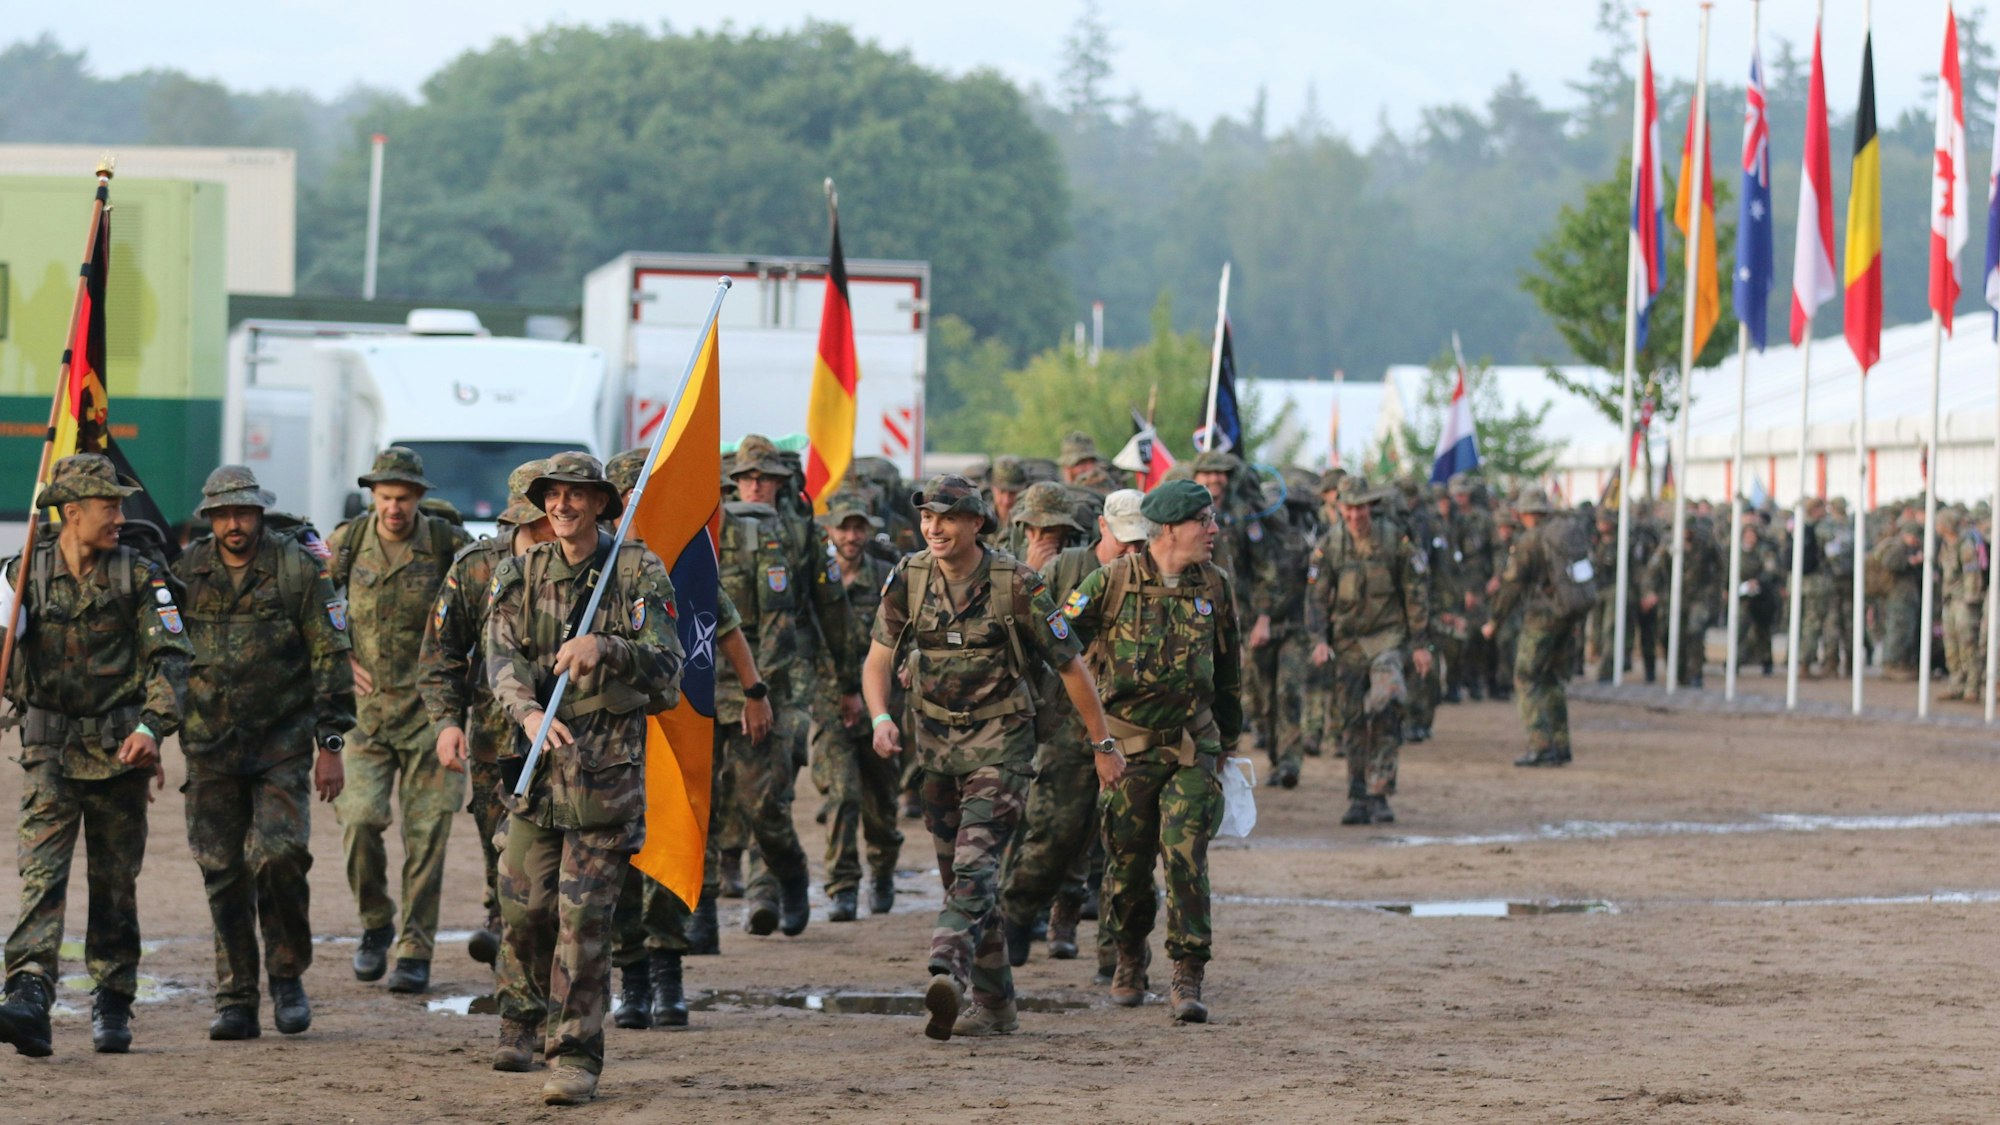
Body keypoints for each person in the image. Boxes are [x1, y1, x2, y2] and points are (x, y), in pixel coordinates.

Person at [862, 474, 1112, 1041]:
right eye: (927, 517)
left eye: (947, 517)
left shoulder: (1016, 583)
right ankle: (996, 1005)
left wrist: (1101, 745)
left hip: (1003, 743)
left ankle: (946, 965)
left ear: (977, 522)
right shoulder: (909, 576)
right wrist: (881, 716)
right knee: (962, 878)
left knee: (975, 867)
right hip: (935, 746)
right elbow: (879, 656)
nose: (934, 528)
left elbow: (1071, 665)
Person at [485, 452, 685, 1106]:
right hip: (538, 773)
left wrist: (609, 648)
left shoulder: (636, 571)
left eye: (577, 495)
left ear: (601, 503)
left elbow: (669, 673)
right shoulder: (520, 572)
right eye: (553, 495)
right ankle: (527, 1009)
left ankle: (573, 1055)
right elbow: (500, 657)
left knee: (582, 922)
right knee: (526, 908)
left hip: (604, 779)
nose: (563, 505)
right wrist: (529, 708)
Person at [0, 454, 191, 1057]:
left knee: (113, 885)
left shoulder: (141, 576)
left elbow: (172, 660)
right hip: (49, 752)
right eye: (109, 505)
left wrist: (153, 729)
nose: (120, 515)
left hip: (118, 754)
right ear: (72, 513)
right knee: (42, 876)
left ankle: (113, 997)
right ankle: (29, 992)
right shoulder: (21, 574)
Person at [174, 466, 354, 1039]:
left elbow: (330, 656)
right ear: (210, 519)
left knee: (279, 857)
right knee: (221, 870)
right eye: (223, 514)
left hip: (281, 744)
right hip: (209, 747)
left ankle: (286, 976)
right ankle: (235, 997)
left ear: (258, 513)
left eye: (243, 513)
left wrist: (330, 743)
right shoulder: (187, 573)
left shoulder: (296, 569)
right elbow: (161, 652)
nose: (234, 524)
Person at [1060, 479, 1241, 1022]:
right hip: (1126, 749)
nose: (1213, 530)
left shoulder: (1216, 585)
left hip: (1192, 745)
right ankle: (1129, 956)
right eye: (1202, 522)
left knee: (1185, 853)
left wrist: (1228, 744)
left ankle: (1188, 972)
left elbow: (1230, 674)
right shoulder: (1109, 582)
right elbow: (1058, 644)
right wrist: (1093, 740)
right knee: (1129, 863)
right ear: (1168, 530)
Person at [326, 446, 472, 994]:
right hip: (364, 719)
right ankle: (375, 923)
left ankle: (415, 948)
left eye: (404, 498)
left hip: (433, 716)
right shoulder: (348, 542)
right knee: (359, 821)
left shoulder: (445, 545)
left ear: (419, 499)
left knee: (427, 833)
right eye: (386, 498)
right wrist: (339, 656)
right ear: (373, 497)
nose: (394, 508)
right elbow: (314, 603)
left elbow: (483, 604)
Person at [712, 437, 860, 937]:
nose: (755, 484)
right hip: (714, 679)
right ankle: (713, 910)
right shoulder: (710, 535)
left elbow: (832, 612)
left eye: (765, 476)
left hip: (783, 680)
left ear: (780, 482)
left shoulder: (802, 536)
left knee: (767, 796)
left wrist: (848, 684)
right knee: (714, 798)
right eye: (747, 476)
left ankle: (784, 880)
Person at [999, 488, 1148, 973]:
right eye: (1125, 540)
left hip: (1130, 723)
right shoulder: (1065, 570)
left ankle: (1120, 954)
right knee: (1055, 835)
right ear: (1103, 527)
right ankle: (1016, 917)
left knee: (1126, 845)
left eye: (1140, 542)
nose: (1132, 551)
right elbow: (1019, 637)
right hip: (1067, 726)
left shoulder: (1152, 577)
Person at [418, 460, 556, 968]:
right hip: (495, 733)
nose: (548, 531)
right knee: (497, 832)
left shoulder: (595, 565)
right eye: (536, 522)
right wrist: (446, 722)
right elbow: (440, 654)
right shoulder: (477, 566)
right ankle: (501, 921)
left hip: (569, 730)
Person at [1307, 475, 1433, 826]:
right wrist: (1319, 640)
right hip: (1347, 644)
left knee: (1387, 703)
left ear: (1370, 508)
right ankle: (1358, 794)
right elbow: (1316, 597)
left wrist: (1421, 645)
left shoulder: (1395, 541)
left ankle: (1380, 792)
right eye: (1349, 508)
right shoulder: (1330, 545)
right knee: (1351, 720)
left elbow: (1415, 594)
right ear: (1340, 509)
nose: (1355, 515)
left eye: (1361, 507)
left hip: (1387, 639)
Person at [812, 490, 906, 922]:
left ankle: (882, 872)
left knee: (882, 800)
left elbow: (909, 636)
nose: (852, 536)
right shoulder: (815, 578)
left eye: (859, 527)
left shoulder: (889, 577)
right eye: (844, 527)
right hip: (830, 704)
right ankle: (843, 886)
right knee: (843, 796)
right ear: (829, 530)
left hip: (882, 708)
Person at [1484, 488, 1586, 767]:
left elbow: (1511, 586)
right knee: (1552, 679)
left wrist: (1495, 620)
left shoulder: (1529, 541)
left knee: (1526, 678)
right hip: (1567, 616)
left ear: (1526, 514)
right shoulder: (1563, 537)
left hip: (1541, 619)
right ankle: (1561, 745)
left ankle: (1541, 746)